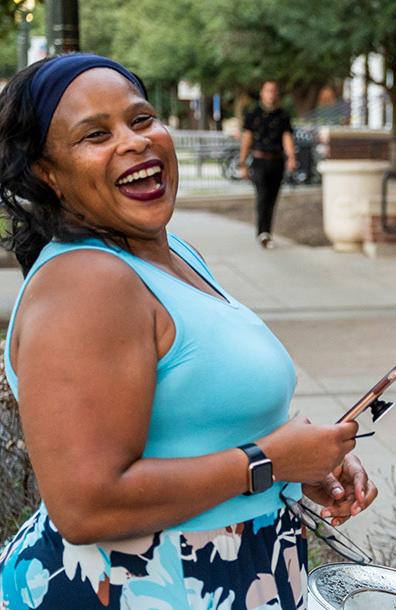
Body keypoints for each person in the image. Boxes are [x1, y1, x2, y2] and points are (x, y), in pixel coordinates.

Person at [0, 54, 376, 609]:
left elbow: (195, 424)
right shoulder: (88, 283)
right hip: (136, 585)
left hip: (234, 570)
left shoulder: (174, 254)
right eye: (96, 134)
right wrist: (267, 461)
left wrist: (298, 465)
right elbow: (85, 506)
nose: (134, 141)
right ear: (47, 173)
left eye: (141, 118)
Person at [240, 80, 297, 249]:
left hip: (277, 160)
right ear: (262, 93)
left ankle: (267, 232)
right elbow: (247, 139)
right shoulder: (253, 114)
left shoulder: (283, 115)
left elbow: (287, 137)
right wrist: (242, 163)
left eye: (274, 91)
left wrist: (291, 157)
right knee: (262, 195)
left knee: (272, 198)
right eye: (268, 90)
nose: (271, 94)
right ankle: (262, 232)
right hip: (259, 160)